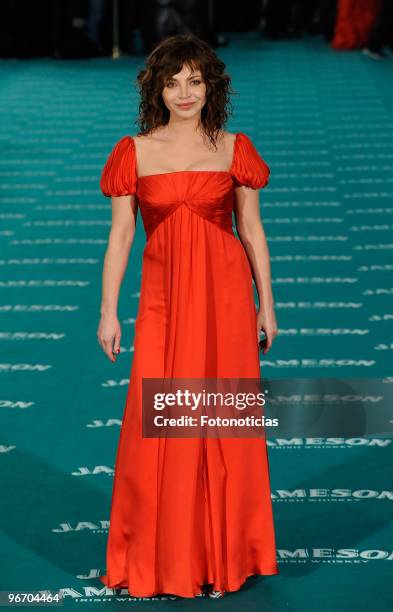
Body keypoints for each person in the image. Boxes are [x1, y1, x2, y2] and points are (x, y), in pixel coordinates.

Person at [97, 33, 279, 599]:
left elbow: (251, 231)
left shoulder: (233, 148)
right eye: (173, 82)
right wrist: (108, 312)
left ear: (211, 87)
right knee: (163, 427)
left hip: (226, 301)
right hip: (164, 305)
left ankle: (228, 554)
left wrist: (267, 305)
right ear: (157, 88)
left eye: (195, 81)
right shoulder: (135, 151)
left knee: (225, 428)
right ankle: (165, 556)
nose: (184, 92)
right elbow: (121, 236)